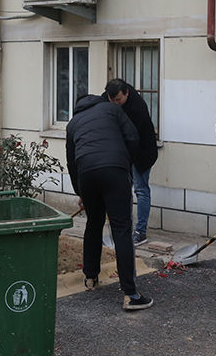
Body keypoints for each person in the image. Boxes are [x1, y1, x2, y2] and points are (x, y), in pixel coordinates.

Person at [66, 94, 153, 311]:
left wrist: (81, 193)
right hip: (114, 170)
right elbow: (132, 137)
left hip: (86, 174)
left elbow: (71, 163)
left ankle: (90, 278)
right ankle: (130, 294)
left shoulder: (73, 123)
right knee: (121, 229)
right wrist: (124, 164)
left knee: (93, 224)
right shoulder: (112, 109)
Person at [102, 79, 158, 246]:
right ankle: (123, 230)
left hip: (142, 152)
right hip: (122, 151)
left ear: (126, 93)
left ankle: (140, 232)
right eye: (112, 100)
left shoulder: (137, 107)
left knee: (141, 190)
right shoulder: (108, 97)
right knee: (123, 190)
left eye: (119, 100)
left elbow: (128, 136)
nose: (115, 104)